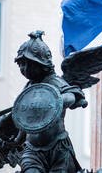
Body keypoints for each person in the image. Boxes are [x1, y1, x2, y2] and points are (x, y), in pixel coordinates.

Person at [14, 31, 86, 172]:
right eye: (22, 64)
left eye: (30, 64)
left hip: (57, 147)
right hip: (32, 149)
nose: (25, 69)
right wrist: (17, 139)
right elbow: (24, 118)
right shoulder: (29, 88)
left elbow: (71, 95)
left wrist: (57, 101)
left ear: (42, 64)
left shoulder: (53, 82)